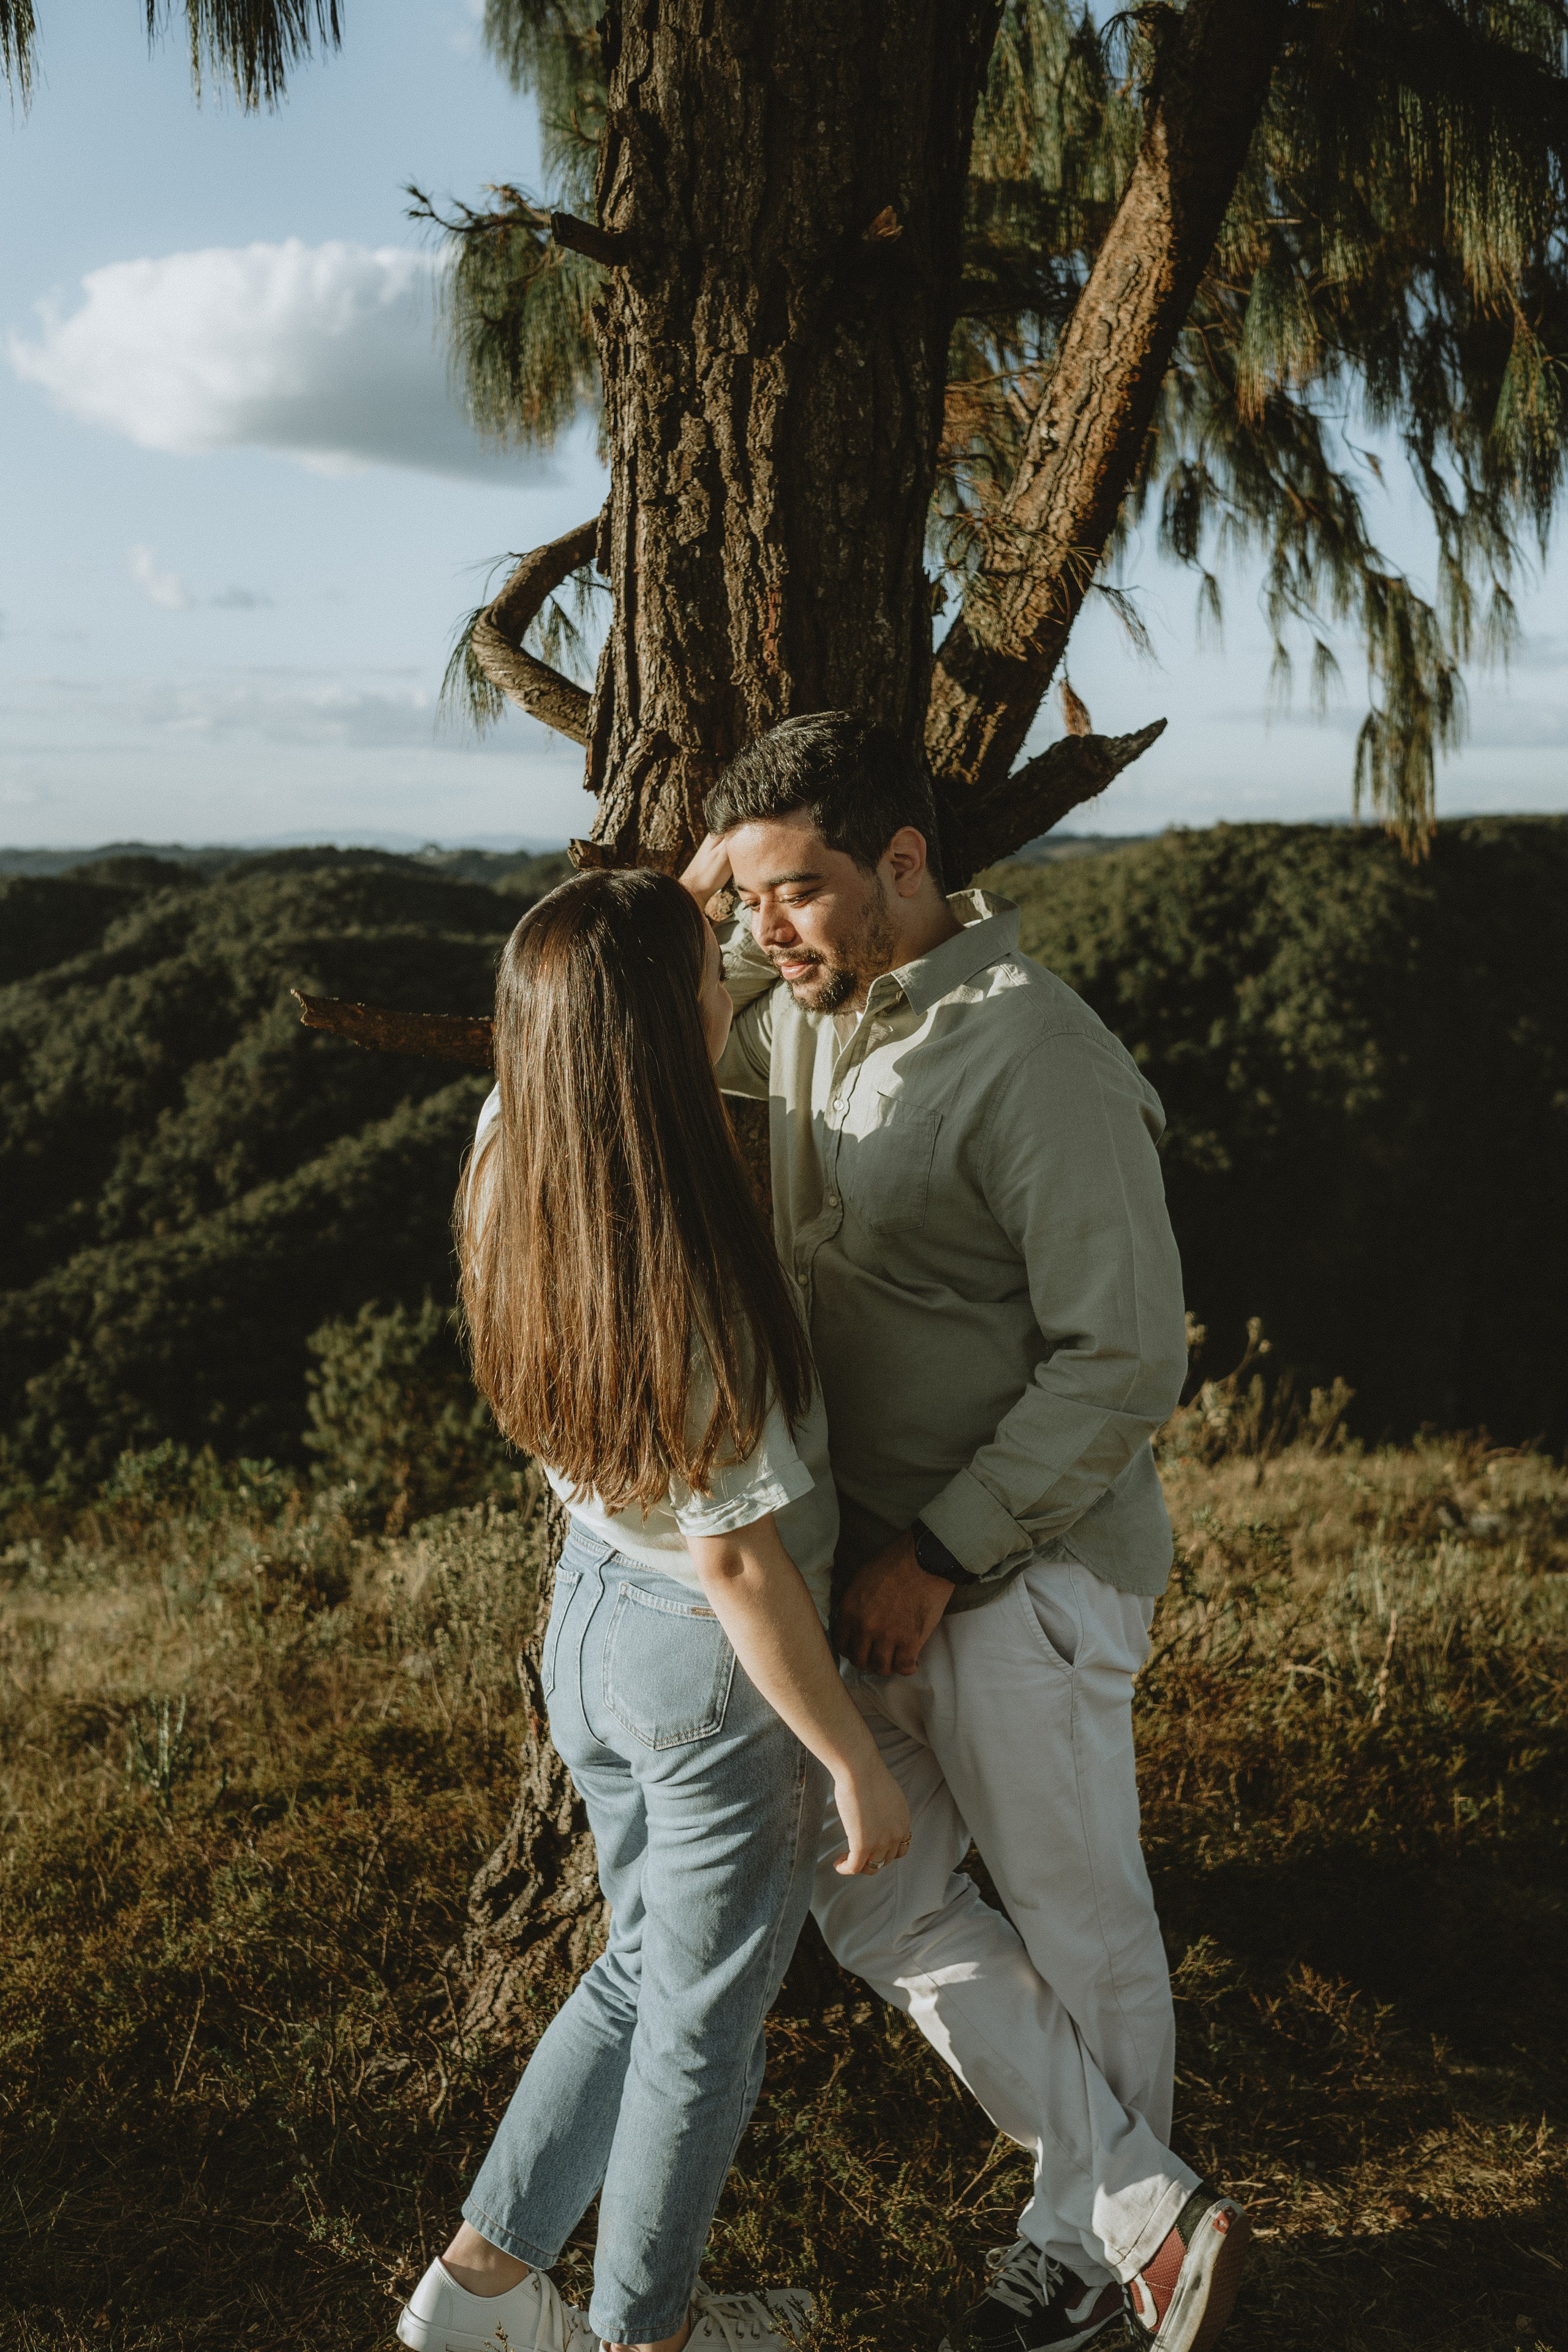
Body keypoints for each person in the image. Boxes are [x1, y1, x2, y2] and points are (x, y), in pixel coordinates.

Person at [680, 713, 1252, 2352]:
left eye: (795, 892)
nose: (764, 930)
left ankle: (1095, 2254)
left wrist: (940, 1558)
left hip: (1019, 1572)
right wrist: (705, 905)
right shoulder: (804, 1010)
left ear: (908, 863)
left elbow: (1128, 1358)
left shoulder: (1037, 1054)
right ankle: (1144, 2203)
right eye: (746, 902)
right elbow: (659, 1024)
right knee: (875, 1904)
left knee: (1077, 1919)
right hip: (857, 1569)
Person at [397, 867, 911, 2352]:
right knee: (703, 2025)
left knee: (643, 1969)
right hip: (708, 1662)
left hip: (590, 1623)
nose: (740, 967)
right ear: (666, 1032)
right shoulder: (685, 1268)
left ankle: (482, 2287)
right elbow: (745, 1566)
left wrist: (657, 905)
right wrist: (848, 1759)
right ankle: (646, 2335)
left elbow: (593, 1019)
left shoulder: (513, 1148)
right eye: (713, 970)